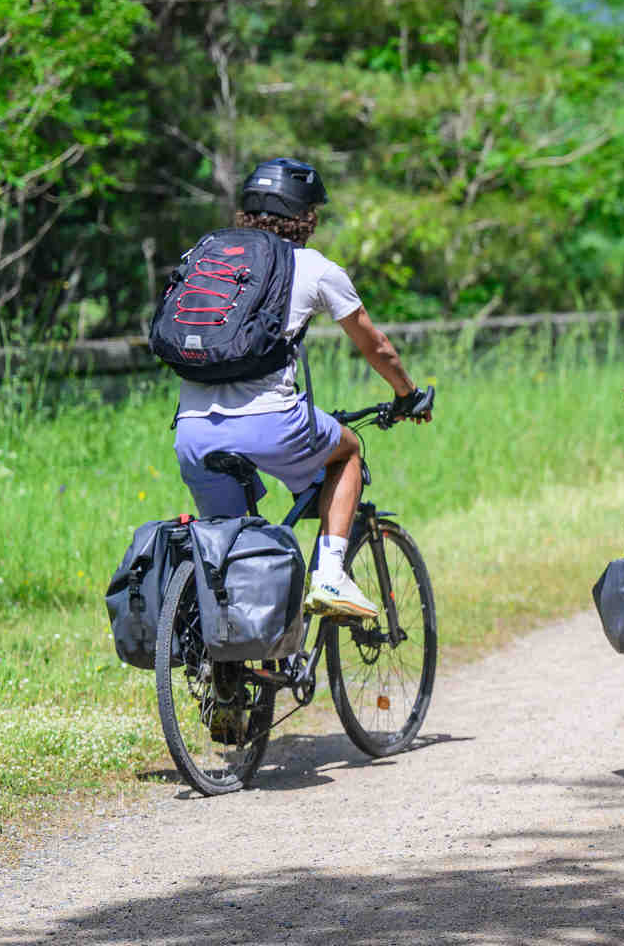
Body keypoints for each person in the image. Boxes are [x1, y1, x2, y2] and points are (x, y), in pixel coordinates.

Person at [172, 158, 431, 620]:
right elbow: (377, 348)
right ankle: (330, 575)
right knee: (348, 450)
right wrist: (407, 394)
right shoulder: (312, 266)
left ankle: (239, 674)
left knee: (229, 553)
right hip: (271, 422)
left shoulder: (205, 253)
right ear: (305, 216)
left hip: (192, 432)